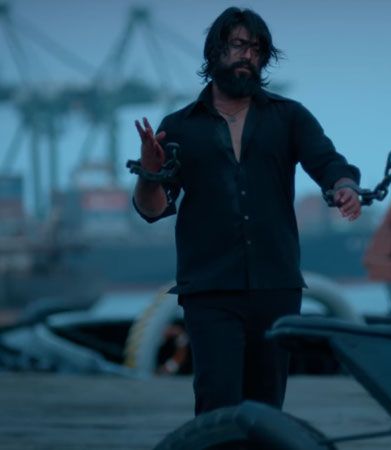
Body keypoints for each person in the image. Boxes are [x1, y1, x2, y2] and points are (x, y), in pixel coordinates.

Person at [132, 7, 361, 417]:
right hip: (209, 289)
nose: (247, 56)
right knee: (216, 402)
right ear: (215, 51)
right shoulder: (180, 126)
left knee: (266, 410)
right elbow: (153, 209)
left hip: (276, 286)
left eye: (256, 49)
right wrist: (149, 173)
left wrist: (344, 187)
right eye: (238, 45)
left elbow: (328, 162)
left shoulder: (289, 117)